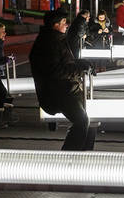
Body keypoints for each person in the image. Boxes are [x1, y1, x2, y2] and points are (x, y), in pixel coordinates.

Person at [29, 9, 96, 151]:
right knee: (82, 121)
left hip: (66, 88)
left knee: (88, 122)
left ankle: (83, 156)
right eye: (64, 22)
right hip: (58, 92)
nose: (67, 25)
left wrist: (82, 63)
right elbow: (56, 71)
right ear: (55, 25)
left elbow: (66, 63)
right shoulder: (48, 44)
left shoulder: (57, 39)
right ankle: (67, 159)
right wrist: (79, 69)